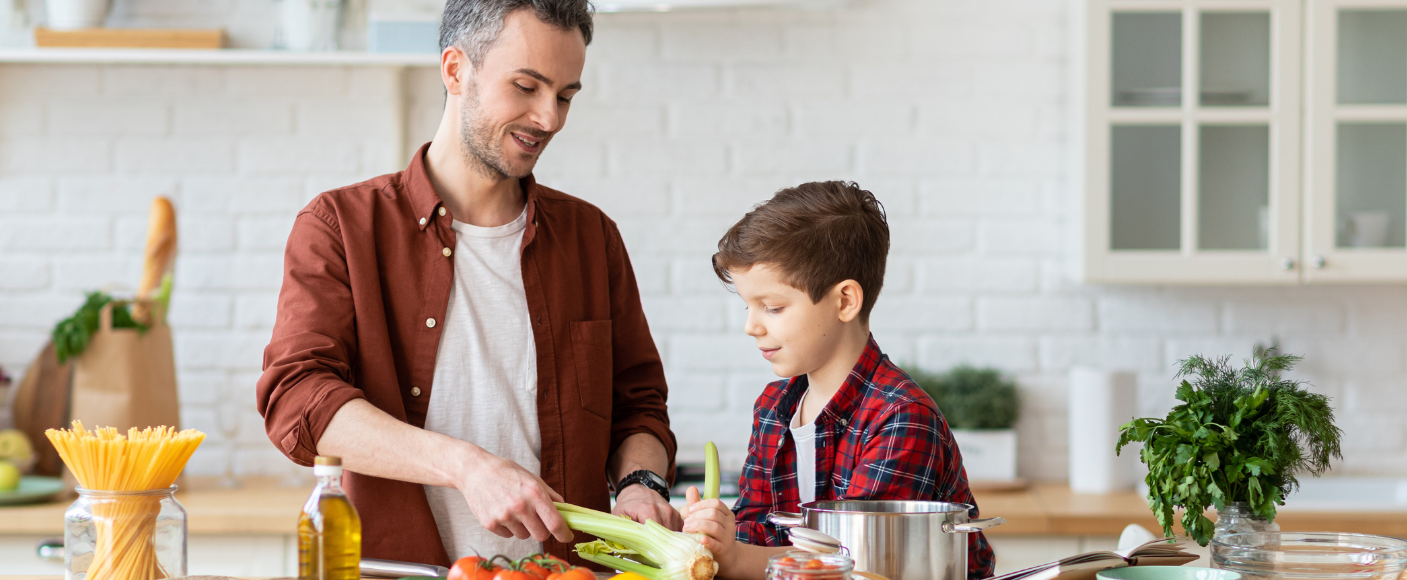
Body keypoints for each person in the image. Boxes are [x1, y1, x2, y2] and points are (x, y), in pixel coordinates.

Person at [257, 0, 681, 566]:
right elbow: (297, 398)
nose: (549, 119)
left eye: (565, 96)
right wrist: (465, 466)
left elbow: (639, 406)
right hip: (404, 572)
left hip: (565, 573)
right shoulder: (340, 227)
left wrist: (640, 484)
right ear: (456, 70)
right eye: (526, 87)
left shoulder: (591, 237)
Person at [681, 181, 997, 580]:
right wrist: (719, 535)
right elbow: (758, 531)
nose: (751, 326)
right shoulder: (774, 407)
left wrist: (738, 558)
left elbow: (860, 564)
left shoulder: (902, 418)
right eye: (748, 306)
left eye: (773, 307)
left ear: (845, 301)